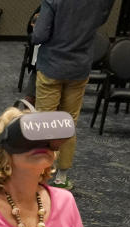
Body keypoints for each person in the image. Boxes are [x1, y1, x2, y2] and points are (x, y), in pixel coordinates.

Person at [32, 0, 114, 190]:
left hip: (52, 66)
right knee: (68, 122)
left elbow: (39, 35)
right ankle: (62, 176)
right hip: (79, 68)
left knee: (44, 121)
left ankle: (38, 174)